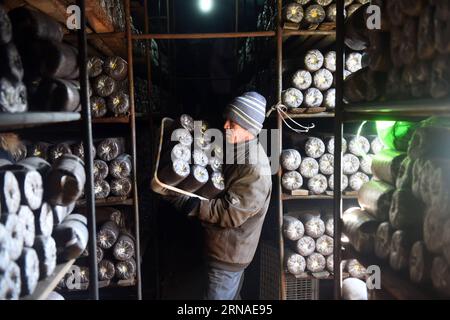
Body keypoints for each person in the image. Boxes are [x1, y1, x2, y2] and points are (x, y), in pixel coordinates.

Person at [166, 92, 272, 300]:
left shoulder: (255, 169)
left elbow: (230, 214)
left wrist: (193, 205)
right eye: (227, 120)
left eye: (233, 123)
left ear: (249, 129)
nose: (225, 126)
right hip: (226, 248)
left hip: (229, 254)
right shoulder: (239, 148)